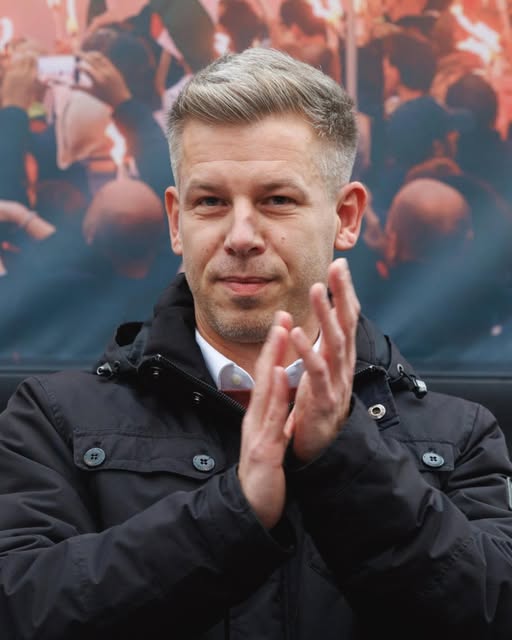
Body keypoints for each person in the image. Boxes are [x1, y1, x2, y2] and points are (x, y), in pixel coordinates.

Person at [1, 47, 512, 640]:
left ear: (346, 216)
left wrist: (346, 456)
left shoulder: (461, 437)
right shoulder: (53, 421)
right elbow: (20, 608)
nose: (241, 235)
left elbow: (492, 611)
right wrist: (233, 512)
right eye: (211, 202)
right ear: (176, 221)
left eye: (277, 200)